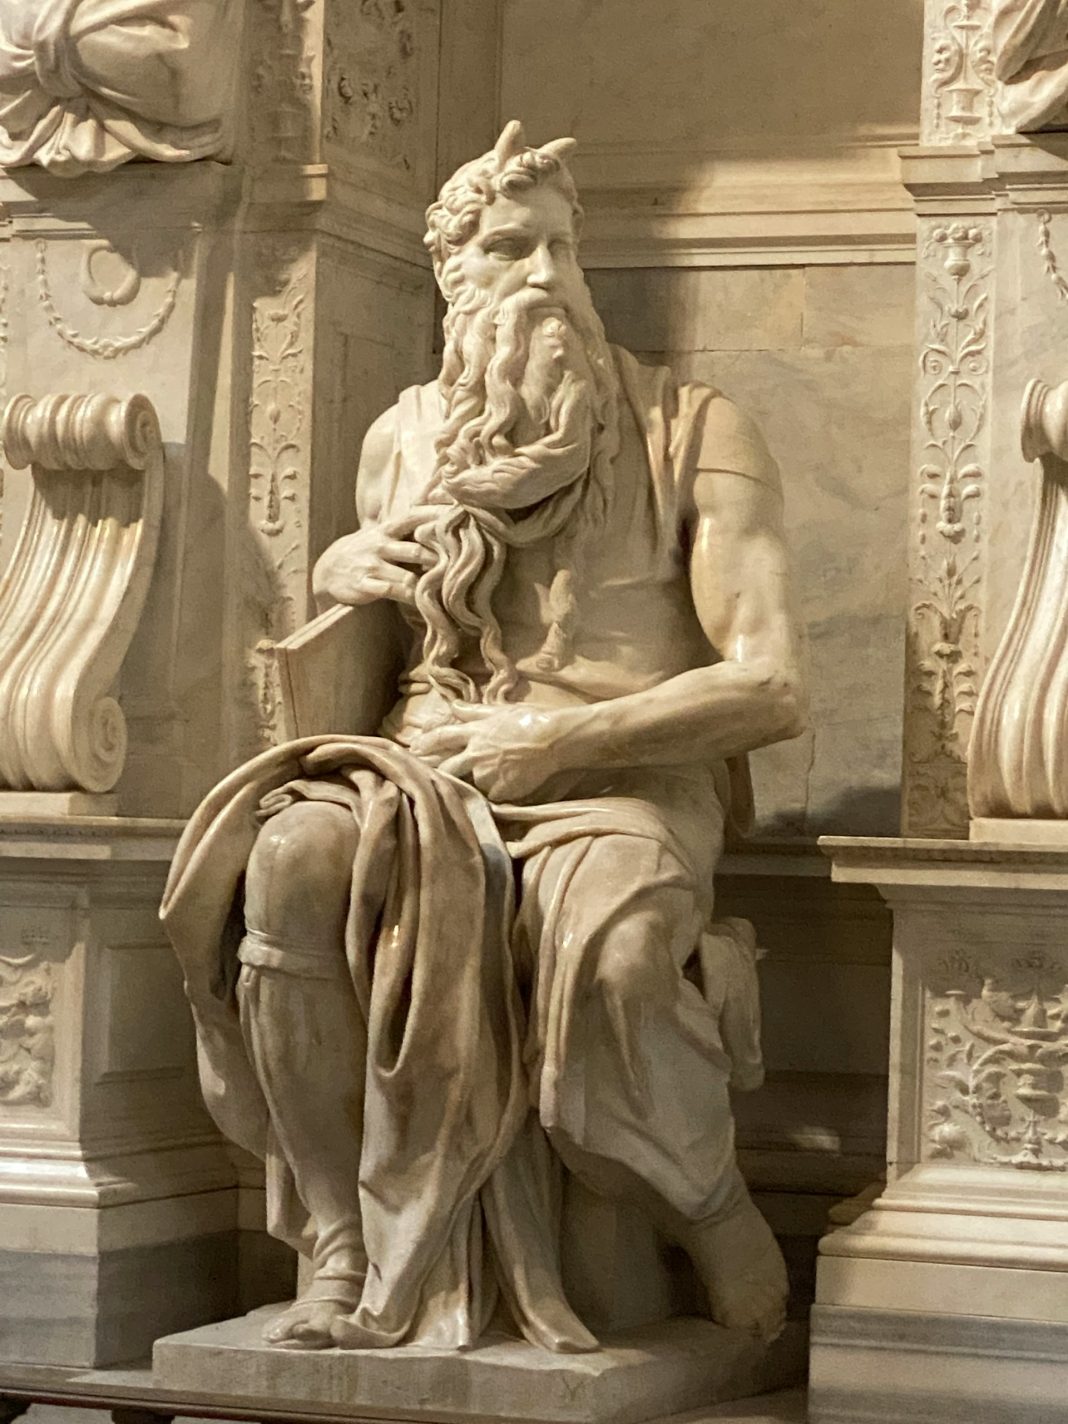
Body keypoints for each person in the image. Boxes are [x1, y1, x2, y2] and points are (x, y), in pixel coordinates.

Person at [162, 121, 806, 1355]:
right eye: (511, 248)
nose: (547, 275)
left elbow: (772, 684)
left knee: (613, 955)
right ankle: (342, 1241)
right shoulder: (403, 438)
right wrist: (342, 575)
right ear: (451, 276)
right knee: (286, 862)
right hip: (426, 770)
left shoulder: (693, 428)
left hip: (619, 780)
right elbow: (366, 668)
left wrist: (556, 741)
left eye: (564, 246)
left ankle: (710, 1201)